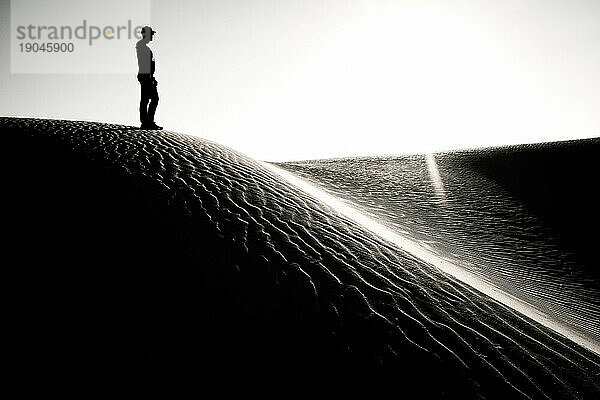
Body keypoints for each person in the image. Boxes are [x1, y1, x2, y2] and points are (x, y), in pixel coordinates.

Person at [136, 25, 162, 130]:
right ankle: (147, 122)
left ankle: (147, 122)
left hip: (146, 76)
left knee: (147, 99)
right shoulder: (142, 47)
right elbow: (144, 64)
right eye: (151, 34)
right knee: (152, 99)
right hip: (146, 76)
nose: (152, 36)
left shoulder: (143, 46)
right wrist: (150, 78)